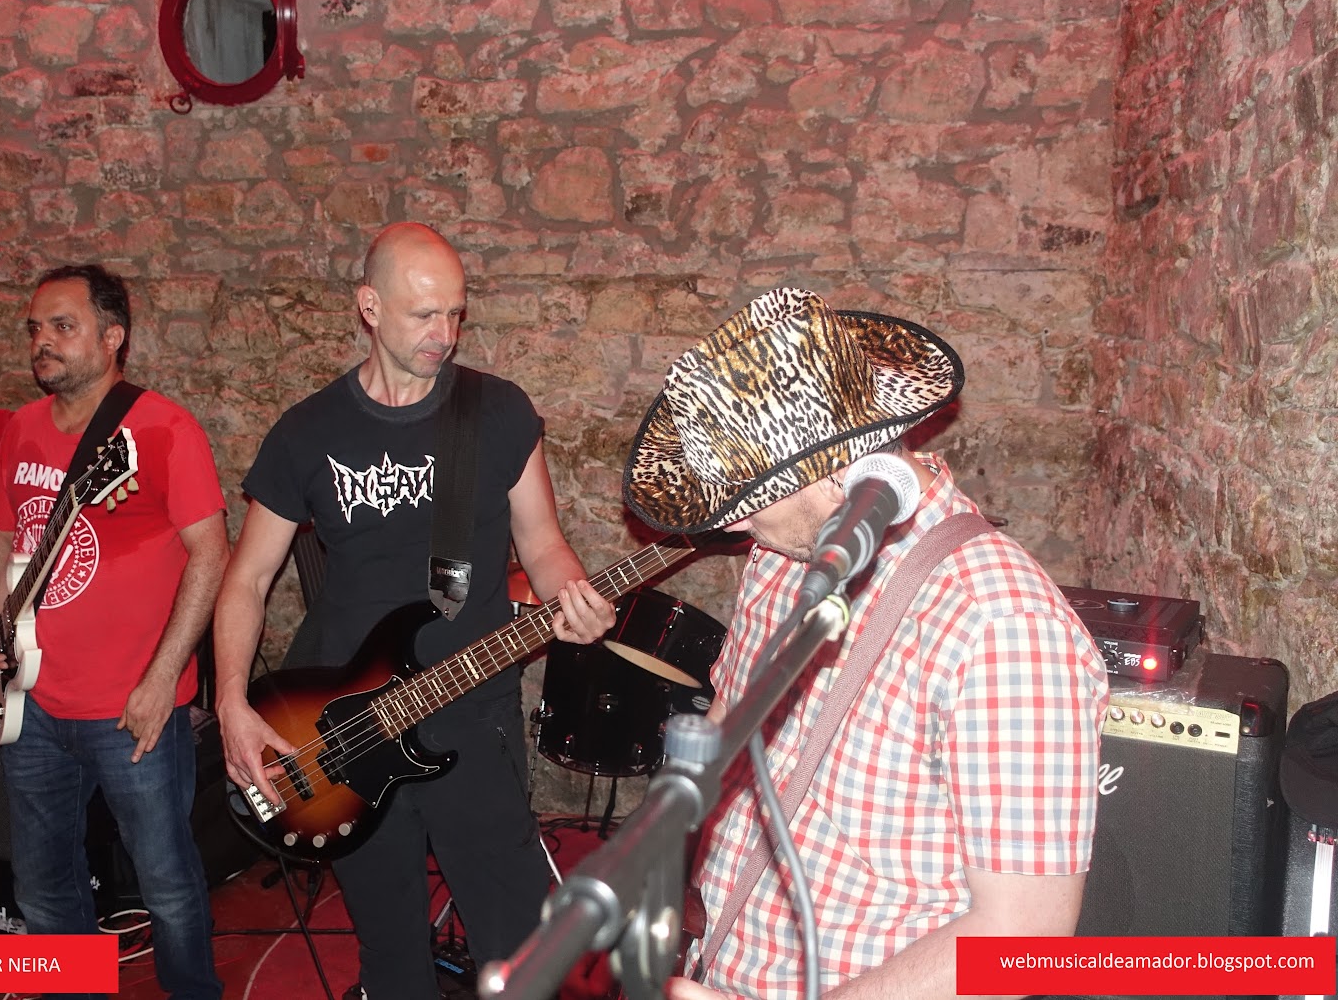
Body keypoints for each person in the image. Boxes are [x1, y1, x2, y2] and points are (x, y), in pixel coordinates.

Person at [620, 286, 1109, 999]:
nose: (730, 524)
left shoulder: (1001, 623)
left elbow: (1024, 935)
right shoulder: (782, 556)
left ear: (834, 471)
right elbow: (731, 729)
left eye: (747, 497)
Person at [213, 221, 617, 1000]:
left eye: (456, 313)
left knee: (517, 948)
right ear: (369, 306)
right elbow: (246, 579)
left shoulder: (496, 413)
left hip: (473, 712)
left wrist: (571, 593)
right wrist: (231, 702)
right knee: (392, 953)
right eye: (425, 314)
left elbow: (544, 545)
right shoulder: (307, 432)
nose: (446, 333)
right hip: (344, 730)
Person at [0, 265, 227, 1000]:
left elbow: (210, 554)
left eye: (62, 326)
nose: (42, 342)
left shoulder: (164, 429)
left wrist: (162, 680)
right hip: (32, 700)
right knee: (43, 885)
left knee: (166, 882)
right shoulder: (21, 427)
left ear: (113, 338)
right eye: (35, 329)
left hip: (130, 708)